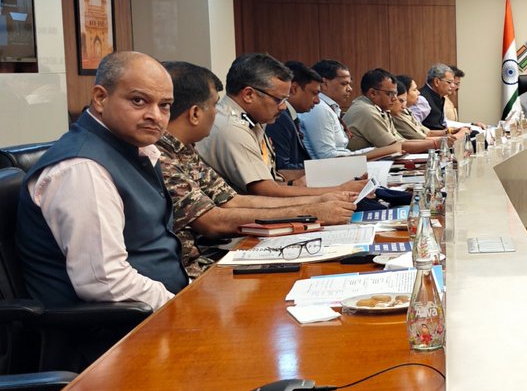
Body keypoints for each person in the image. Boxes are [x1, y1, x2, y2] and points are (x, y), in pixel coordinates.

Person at [17, 51, 186, 310]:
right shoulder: (83, 169)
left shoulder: (135, 150)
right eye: (138, 101)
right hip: (116, 328)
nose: (156, 115)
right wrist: (183, 308)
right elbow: (105, 281)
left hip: (158, 309)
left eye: (164, 105)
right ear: (100, 98)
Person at [156, 61, 356, 278]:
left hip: (214, 254)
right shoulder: (161, 155)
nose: (217, 113)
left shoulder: (185, 150)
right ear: (195, 113)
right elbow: (213, 221)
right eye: (214, 105)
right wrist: (312, 211)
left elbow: (233, 200)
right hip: (194, 269)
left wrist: (319, 201)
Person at [196, 53, 368, 197]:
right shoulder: (233, 128)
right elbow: (267, 192)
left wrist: (297, 183)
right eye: (279, 99)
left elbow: (273, 178)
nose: (284, 107)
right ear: (249, 95)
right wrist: (339, 190)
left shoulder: (250, 120)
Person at [298, 59, 400, 161]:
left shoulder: (330, 108)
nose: (350, 89)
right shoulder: (319, 109)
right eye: (344, 84)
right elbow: (328, 157)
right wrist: (375, 152)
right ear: (324, 84)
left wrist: (374, 152)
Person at [344, 68, 438, 153]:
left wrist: (436, 142)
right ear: (373, 93)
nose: (394, 99)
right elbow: (393, 147)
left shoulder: (382, 109)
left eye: (395, 94)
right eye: (390, 94)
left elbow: (399, 141)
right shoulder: (366, 111)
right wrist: (435, 143)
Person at [263, 61, 320, 171]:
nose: (317, 101)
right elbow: (281, 168)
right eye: (314, 93)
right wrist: (322, 167)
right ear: (294, 89)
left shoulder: (289, 116)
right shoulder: (279, 118)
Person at [392, 74, 468, 142]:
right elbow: (421, 139)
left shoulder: (405, 110)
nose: (418, 92)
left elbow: (428, 132)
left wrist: (450, 131)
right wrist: (455, 137)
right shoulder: (396, 113)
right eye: (414, 90)